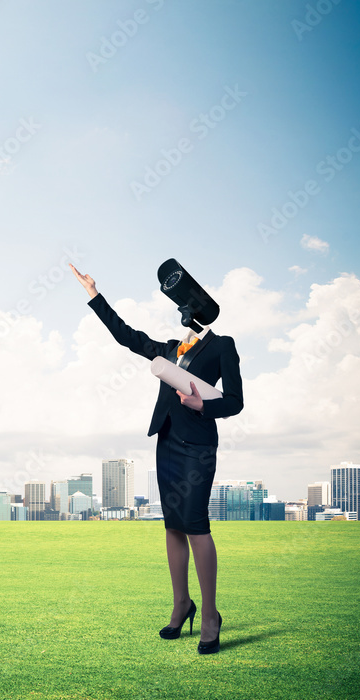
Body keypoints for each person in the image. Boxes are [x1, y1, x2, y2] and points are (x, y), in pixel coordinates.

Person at [71, 263, 243, 654]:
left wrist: (202, 405)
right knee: (173, 527)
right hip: (167, 443)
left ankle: (212, 615)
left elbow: (235, 401)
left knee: (197, 527)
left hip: (198, 448)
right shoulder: (168, 349)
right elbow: (126, 336)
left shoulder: (223, 346)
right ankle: (181, 603)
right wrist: (95, 295)